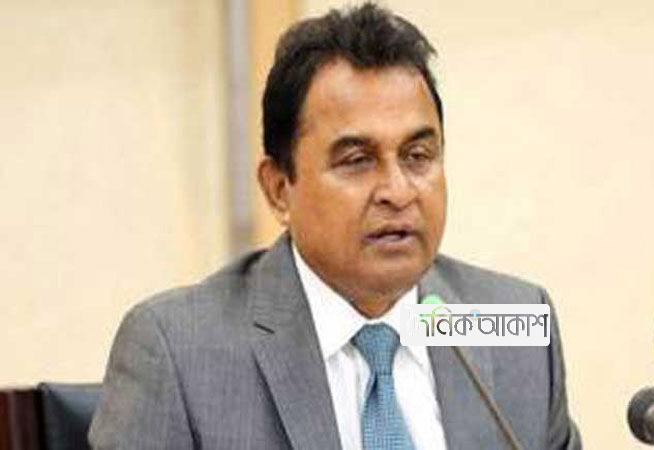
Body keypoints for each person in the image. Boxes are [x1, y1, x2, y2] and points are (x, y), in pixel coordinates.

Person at [89, 3, 581, 449]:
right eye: (357, 160)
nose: (398, 191)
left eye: (417, 155)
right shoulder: (179, 352)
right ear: (279, 189)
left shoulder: (515, 323)